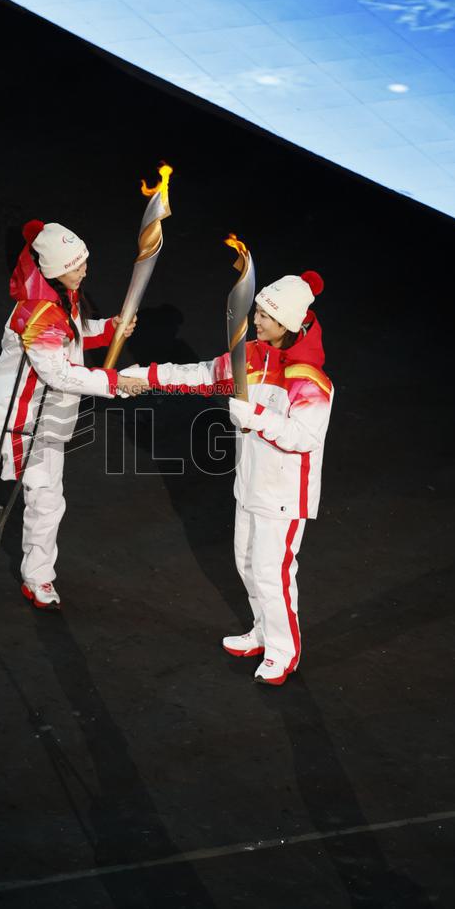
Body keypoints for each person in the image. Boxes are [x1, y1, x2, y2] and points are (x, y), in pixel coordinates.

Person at [124, 271, 332, 685]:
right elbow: (200, 375)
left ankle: (283, 651)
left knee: (273, 572)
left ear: (288, 323)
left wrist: (254, 416)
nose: (255, 320)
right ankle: (262, 630)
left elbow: (304, 437)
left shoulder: (310, 380)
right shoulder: (250, 356)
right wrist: (143, 377)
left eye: (265, 316)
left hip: (285, 495)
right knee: (248, 564)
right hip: (250, 485)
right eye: (257, 311)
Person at [0, 219, 147, 611]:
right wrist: (115, 382)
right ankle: (37, 579)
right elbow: (57, 372)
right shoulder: (38, 313)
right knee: (47, 499)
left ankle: (36, 574)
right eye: (76, 266)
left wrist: (111, 328)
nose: (84, 270)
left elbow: (73, 334)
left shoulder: (60, 297)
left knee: (47, 499)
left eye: (84, 262)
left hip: (48, 419)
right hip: (23, 423)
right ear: (55, 269)